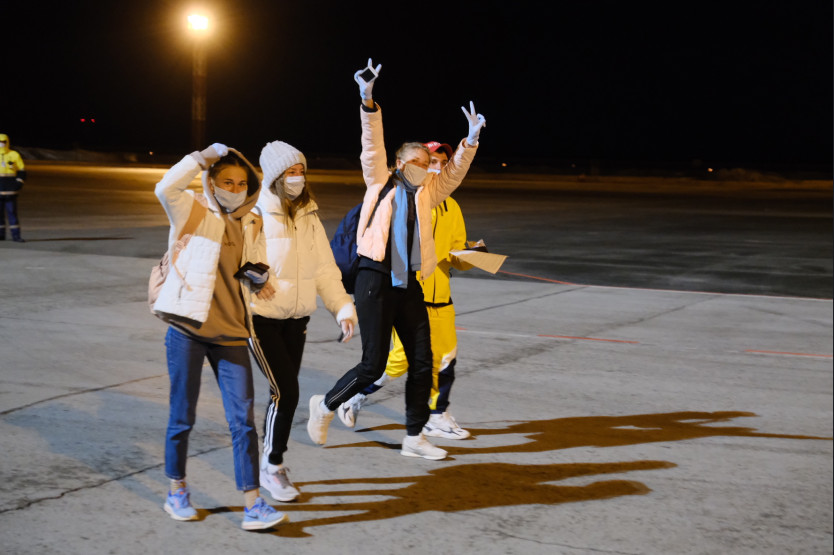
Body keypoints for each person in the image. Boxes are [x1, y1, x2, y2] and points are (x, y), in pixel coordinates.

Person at [306, 59, 486, 460]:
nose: (424, 169)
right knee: (372, 366)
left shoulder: (428, 194)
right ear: (400, 163)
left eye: (427, 164)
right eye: (417, 163)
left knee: (423, 362)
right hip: (374, 279)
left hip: (410, 284)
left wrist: (471, 141)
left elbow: (453, 174)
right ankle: (327, 405)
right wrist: (367, 99)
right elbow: (372, 143)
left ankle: (414, 437)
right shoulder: (379, 182)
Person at [153, 142, 287, 530]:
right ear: (211, 182)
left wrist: (261, 277)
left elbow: (255, 264)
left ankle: (253, 503)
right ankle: (176, 490)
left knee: (243, 421)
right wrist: (201, 158)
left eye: (242, 183)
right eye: (227, 181)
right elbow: (165, 188)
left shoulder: (252, 221)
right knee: (182, 416)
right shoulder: (191, 209)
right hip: (188, 330)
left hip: (232, 332)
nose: (235, 188)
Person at [339, 141, 474, 440]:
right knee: (400, 360)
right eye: (432, 161)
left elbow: (455, 251)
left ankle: (437, 415)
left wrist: (470, 257)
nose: (437, 167)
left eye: (442, 163)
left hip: (442, 295)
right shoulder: (414, 198)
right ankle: (354, 395)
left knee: (446, 357)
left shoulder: (451, 206)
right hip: (411, 293)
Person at [249, 140, 357, 502]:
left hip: (296, 319)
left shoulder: (308, 214)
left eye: (301, 171)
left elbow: (325, 268)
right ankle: (272, 466)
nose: (297, 178)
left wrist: (342, 308)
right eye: (290, 172)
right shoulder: (255, 212)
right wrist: (253, 278)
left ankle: (270, 461)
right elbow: (237, 257)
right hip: (260, 317)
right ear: (274, 175)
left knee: (282, 394)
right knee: (287, 392)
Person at [0, 133, 27, 242]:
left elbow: (22, 170)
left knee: (12, 213)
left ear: (7, 142)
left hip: (11, 191)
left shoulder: (14, 154)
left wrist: (19, 183)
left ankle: (16, 236)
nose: (1, 144)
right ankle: (1, 235)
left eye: (3, 142)